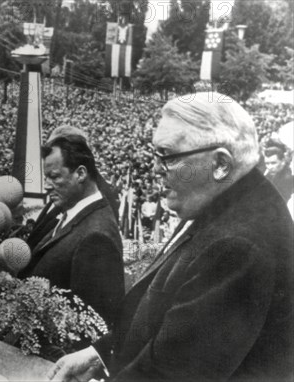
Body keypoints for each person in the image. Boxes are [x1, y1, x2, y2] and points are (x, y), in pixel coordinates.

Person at [49, 92, 293, 381]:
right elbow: (165, 311)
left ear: (220, 164)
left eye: (167, 156)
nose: (154, 169)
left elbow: (171, 372)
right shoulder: (218, 197)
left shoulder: (237, 246)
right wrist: (103, 354)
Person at [19, 129, 125, 326]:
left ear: (81, 173)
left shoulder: (96, 238)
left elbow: (91, 325)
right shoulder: (74, 211)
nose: (47, 186)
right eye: (46, 177)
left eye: (55, 177)